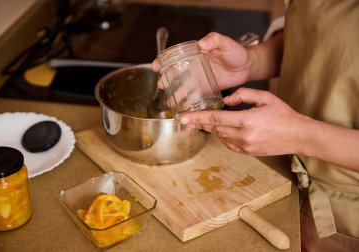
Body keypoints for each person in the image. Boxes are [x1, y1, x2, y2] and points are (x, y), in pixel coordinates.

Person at [151, 1, 359, 251]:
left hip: (345, 220)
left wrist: (302, 136)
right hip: (287, 174)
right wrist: (252, 61)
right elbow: (322, 37)